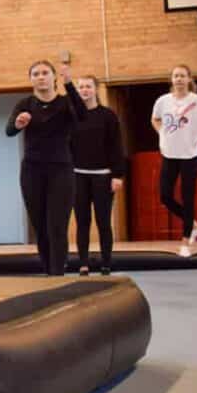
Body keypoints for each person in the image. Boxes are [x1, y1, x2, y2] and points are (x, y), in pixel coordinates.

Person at [7, 60, 87, 275]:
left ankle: (57, 273)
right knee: (41, 226)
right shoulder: (25, 104)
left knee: (57, 225)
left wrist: (70, 84)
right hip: (32, 171)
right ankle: (48, 271)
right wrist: (18, 124)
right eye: (36, 73)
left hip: (61, 170)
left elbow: (82, 114)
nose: (41, 77)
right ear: (31, 79)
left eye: (45, 73)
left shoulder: (65, 103)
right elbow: (9, 130)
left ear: (54, 77)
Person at [151, 64, 197, 257]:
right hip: (169, 153)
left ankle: (186, 241)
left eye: (182, 76)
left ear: (189, 79)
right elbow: (155, 119)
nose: (178, 79)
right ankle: (193, 225)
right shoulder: (163, 101)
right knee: (165, 196)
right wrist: (162, 133)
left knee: (188, 196)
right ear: (171, 79)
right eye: (175, 76)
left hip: (190, 155)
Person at [71, 76, 125, 275]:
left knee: (103, 221)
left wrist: (118, 175)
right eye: (81, 87)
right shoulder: (73, 116)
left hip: (103, 175)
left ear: (95, 90)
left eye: (88, 86)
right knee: (82, 221)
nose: (84, 90)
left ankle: (106, 263)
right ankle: (83, 263)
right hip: (78, 176)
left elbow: (116, 146)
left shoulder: (108, 116)